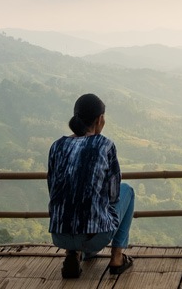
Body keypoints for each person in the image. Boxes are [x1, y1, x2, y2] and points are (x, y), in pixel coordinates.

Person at [48, 93, 135, 279]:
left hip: (59, 235)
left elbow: (53, 189)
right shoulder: (105, 145)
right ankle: (117, 258)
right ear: (100, 119)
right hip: (95, 237)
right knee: (128, 190)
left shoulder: (57, 146)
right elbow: (114, 195)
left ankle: (72, 253)